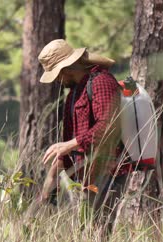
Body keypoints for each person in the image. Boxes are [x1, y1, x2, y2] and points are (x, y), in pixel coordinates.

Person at [36, 39, 127, 231]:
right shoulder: (75, 93)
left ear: (65, 69)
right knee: (88, 231)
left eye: (57, 76)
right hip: (88, 174)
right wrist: (56, 169)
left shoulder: (102, 82)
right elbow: (77, 142)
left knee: (98, 231)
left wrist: (69, 145)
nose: (57, 81)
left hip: (108, 170)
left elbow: (108, 127)